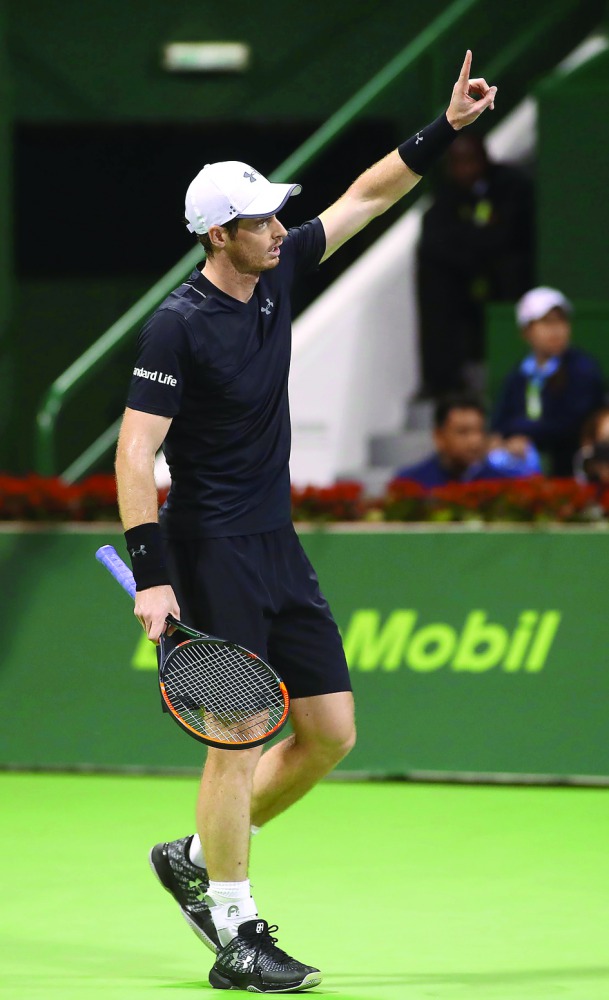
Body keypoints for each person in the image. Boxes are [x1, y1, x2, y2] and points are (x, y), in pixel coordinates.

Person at [114, 50, 497, 994]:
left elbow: (367, 193)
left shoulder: (276, 275)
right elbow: (133, 456)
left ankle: (196, 861)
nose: (279, 229)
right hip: (210, 546)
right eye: (258, 221)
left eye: (278, 214)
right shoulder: (177, 325)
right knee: (236, 736)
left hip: (276, 541)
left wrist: (443, 129)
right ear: (217, 236)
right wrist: (153, 574)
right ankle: (238, 935)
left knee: (329, 732)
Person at [416, 132, 534, 397]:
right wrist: (477, 238)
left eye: (471, 161)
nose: (465, 169)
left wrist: (473, 237)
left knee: (512, 270)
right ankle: (443, 381)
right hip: (463, 270)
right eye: (458, 163)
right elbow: (437, 239)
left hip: (502, 270)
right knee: (434, 278)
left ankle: (513, 366)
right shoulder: (444, 193)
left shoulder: (511, 184)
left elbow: (507, 235)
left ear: (485, 160)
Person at [491, 287, 605, 477]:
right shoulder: (518, 373)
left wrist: (524, 434)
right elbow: (500, 421)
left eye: (561, 321)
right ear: (526, 331)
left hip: (572, 468)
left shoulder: (583, 369)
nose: (556, 329)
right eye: (546, 322)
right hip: (524, 465)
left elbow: (571, 424)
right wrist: (507, 441)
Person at [395, 393, 537, 487]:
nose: (475, 441)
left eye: (479, 431)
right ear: (439, 436)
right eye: (463, 432)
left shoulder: (502, 485)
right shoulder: (411, 484)